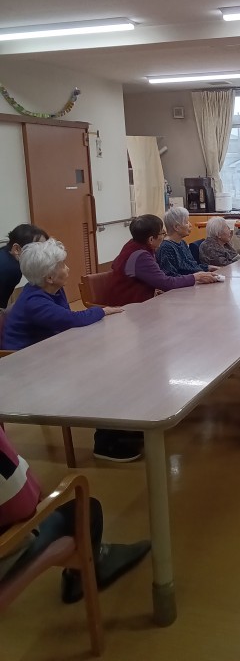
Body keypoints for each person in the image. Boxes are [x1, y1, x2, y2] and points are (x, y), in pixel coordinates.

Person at [0, 239, 142, 463]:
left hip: (47, 354)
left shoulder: (53, 290)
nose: (68, 269)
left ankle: (118, 428)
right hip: (24, 368)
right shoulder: (34, 301)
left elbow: (66, 322)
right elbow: (70, 319)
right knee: (100, 374)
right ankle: (106, 443)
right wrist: (103, 311)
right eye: (63, 265)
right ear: (49, 277)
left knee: (110, 365)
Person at [0, 426, 150, 603]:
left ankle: (93, 560)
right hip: (7, 550)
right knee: (89, 508)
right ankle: (88, 570)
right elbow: (24, 502)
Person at [106, 214, 219, 306]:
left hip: (138, 299)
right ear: (151, 239)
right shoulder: (141, 256)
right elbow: (166, 283)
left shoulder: (133, 244)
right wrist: (195, 277)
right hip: (129, 306)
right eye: (162, 233)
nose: (164, 236)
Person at [156, 206, 219, 279]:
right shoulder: (166, 247)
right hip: (188, 284)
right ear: (176, 227)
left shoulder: (182, 242)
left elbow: (191, 266)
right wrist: (196, 278)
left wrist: (208, 267)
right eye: (186, 222)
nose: (190, 225)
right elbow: (171, 276)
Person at [0, 223, 48, 310]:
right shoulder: (12, 270)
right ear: (16, 249)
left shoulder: (5, 251)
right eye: (37, 249)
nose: (44, 255)